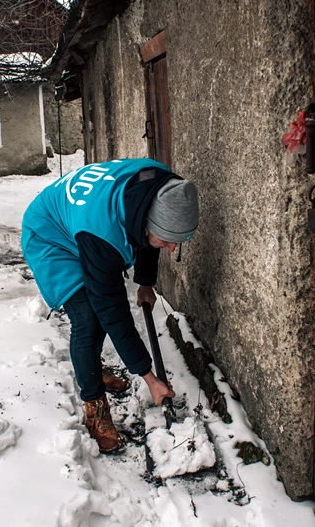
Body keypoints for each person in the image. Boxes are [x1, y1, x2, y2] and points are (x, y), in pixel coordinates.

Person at [21, 158, 199, 453]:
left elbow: (147, 239)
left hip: (81, 222)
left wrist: (144, 282)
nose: (172, 248)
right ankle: (95, 406)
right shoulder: (102, 232)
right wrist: (149, 377)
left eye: (178, 240)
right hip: (50, 235)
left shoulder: (160, 188)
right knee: (89, 319)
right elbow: (113, 311)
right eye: (169, 240)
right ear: (149, 224)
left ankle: (91, 366)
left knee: (98, 309)